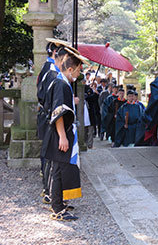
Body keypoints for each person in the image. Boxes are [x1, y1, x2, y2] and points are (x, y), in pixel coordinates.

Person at [42, 47, 87, 221]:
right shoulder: (61, 84)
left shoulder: (60, 81)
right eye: (77, 70)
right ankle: (58, 208)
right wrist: (62, 135)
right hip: (60, 132)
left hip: (61, 131)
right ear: (70, 69)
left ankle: (59, 202)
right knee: (58, 170)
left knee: (59, 168)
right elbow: (58, 112)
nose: (78, 74)